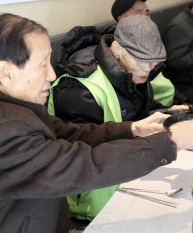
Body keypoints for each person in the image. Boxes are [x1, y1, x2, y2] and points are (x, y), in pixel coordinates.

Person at [0, 13, 193, 233]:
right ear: (5, 71)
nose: (53, 74)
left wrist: (132, 129)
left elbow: (67, 133)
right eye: (43, 64)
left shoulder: (4, 98)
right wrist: (170, 143)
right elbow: (80, 166)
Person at [48, 14, 184, 221]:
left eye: (153, 61)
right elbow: (82, 153)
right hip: (94, 198)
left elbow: (135, 114)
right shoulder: (77, 87)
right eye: (141, 60)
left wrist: (164, 114)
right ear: (117, 49)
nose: (148, 68)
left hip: (129, 176)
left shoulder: (130, 71)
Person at [109, 0, 177, 107]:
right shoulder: (122, 48)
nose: (145, 17)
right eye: (138, 13)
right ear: (121, 19)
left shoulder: (150, 37)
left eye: (147, 12)